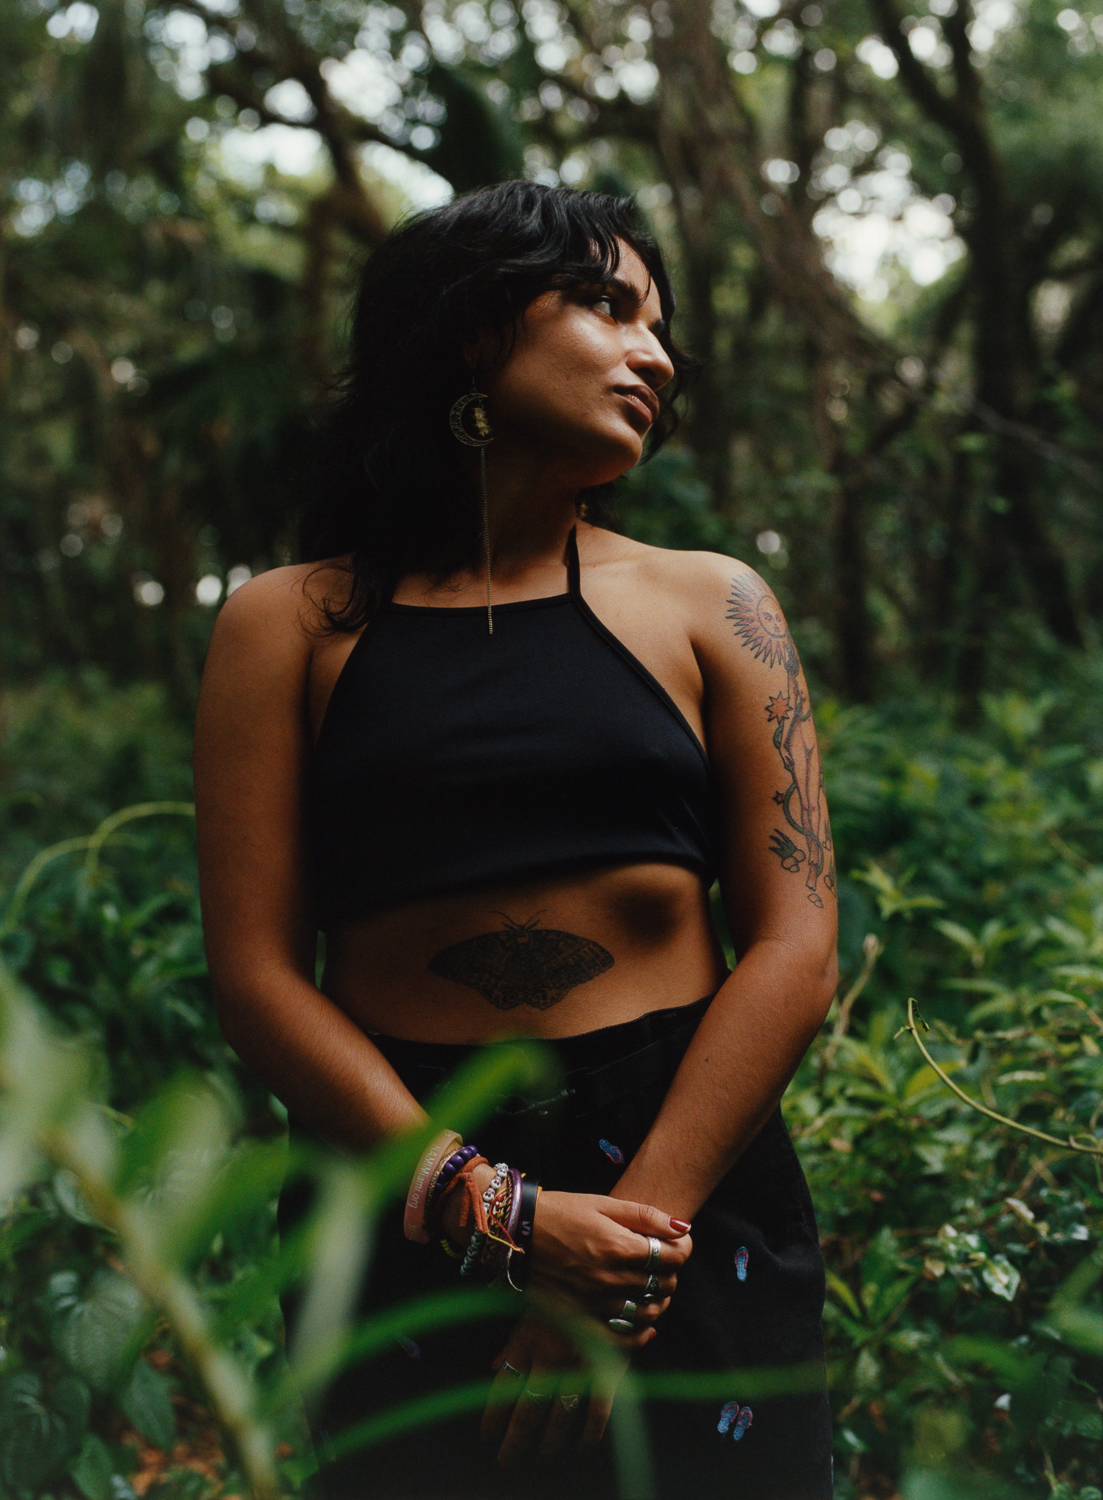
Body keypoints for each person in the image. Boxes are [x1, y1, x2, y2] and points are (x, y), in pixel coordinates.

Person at [194, 180, 838, 1500]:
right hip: (404, 1150)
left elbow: (793, 942)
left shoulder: (714, 603)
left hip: (678, 1155)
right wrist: (494, 1215)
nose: (653, 353)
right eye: (607, 307)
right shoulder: (285, 626)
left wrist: (621, 1253)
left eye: (659, 327)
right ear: (472, 333)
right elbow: (257, 972)